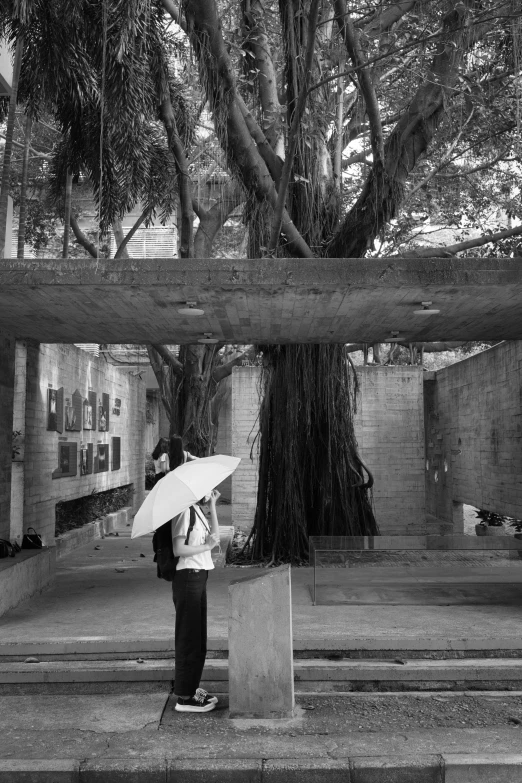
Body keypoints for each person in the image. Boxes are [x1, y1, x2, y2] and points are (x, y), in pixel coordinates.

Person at [171, 488, 221, 713]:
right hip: (188, 577)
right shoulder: (183, 512)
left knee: (199, 637)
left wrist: (212, 505)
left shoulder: (197, 510)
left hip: (199, 575)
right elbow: (178, 548)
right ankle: (184, 697)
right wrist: (207, 547)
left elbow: (215, 539)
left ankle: (192, 688)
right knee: (188, 637)